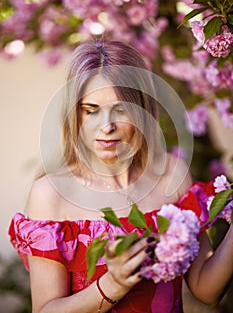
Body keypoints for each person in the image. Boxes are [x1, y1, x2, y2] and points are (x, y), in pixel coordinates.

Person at [9, 40, 233, 313]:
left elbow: (206, 289)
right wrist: (112, 285)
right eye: (91, 110)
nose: (106, 127)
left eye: (121, 109)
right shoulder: (51, 194)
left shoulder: (170, 176)